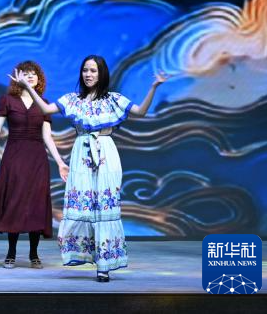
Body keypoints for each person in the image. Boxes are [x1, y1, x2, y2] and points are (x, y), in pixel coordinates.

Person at [11, 55, 166, 282]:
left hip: (105, 152)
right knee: (82, 206)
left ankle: (104, 265)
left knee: (104, 207)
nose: (88, 74)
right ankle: (84, 254)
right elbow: (45, 107)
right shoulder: (73, 100)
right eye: (85, 70)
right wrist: (27, 87)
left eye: (93, 70)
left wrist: (153, 87)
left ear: (101, 74)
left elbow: (141, 111)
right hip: (82, 152)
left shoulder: (113, 99)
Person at [0, 60, 68, 269]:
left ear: (39, 78)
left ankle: (34, 254)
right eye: (26, 73)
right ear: (18, 77)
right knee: (14, 202)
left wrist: (59, 162)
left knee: (36, 205)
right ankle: (11, 253)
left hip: (37, 159)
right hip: (15, 157)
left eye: (33, 73)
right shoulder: (7, 100)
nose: (30, 76)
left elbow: (47, 136)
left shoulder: (44, 103)